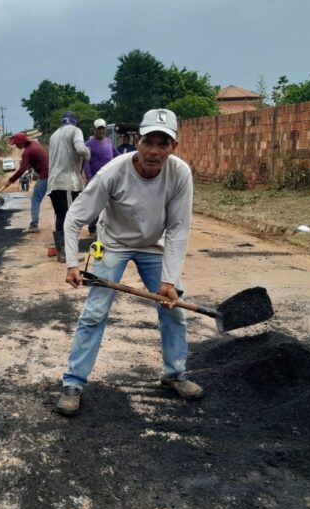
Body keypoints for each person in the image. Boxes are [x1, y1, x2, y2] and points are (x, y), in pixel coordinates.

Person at [56, 108, 202, 417]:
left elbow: (178, 228)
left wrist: (170, 279)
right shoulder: (113, 172)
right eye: (149, 141)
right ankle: (73, 383)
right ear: (138, 141)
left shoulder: (180, 174)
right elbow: (75, 218)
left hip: (154, 246)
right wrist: (71, 263)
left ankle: (174, 374)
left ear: (173, 147)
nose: (154, 151)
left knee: (174, 309)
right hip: (114, 243)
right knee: (94, 313)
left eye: (163, 144)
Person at [47, 111, 91, 259]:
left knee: (60, 216)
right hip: (67, 182)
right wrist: (87, 153)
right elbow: (80, 149)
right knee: (71, 217)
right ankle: (68, 254)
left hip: (54, 183)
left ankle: (61, 252)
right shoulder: (75, 131)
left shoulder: (54, 135)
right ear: (74, 122)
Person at [4, 132, 49, 232]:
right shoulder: (35, 144)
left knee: (35, 199)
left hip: (45, 176)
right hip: (50, 174)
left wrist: (10, 180)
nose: (16, 146)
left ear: (21, 143)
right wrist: (28, 165)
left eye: (16, 144)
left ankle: (34, 225)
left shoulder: (27, 152)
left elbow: (21, 170)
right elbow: (32, 162)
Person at [83, 118, 120, 235]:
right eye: (98, 129)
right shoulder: (88, 144)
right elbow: (86, 161)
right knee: (96, 204)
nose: (101, 131)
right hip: (96, 178)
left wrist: (126, 159)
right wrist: (89, 177)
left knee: (112, 202)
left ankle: (111, 227)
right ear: (94, 130)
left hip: (110, 177)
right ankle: (92, 228)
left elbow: (115, 153)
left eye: (102, 129)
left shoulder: (108, 141)